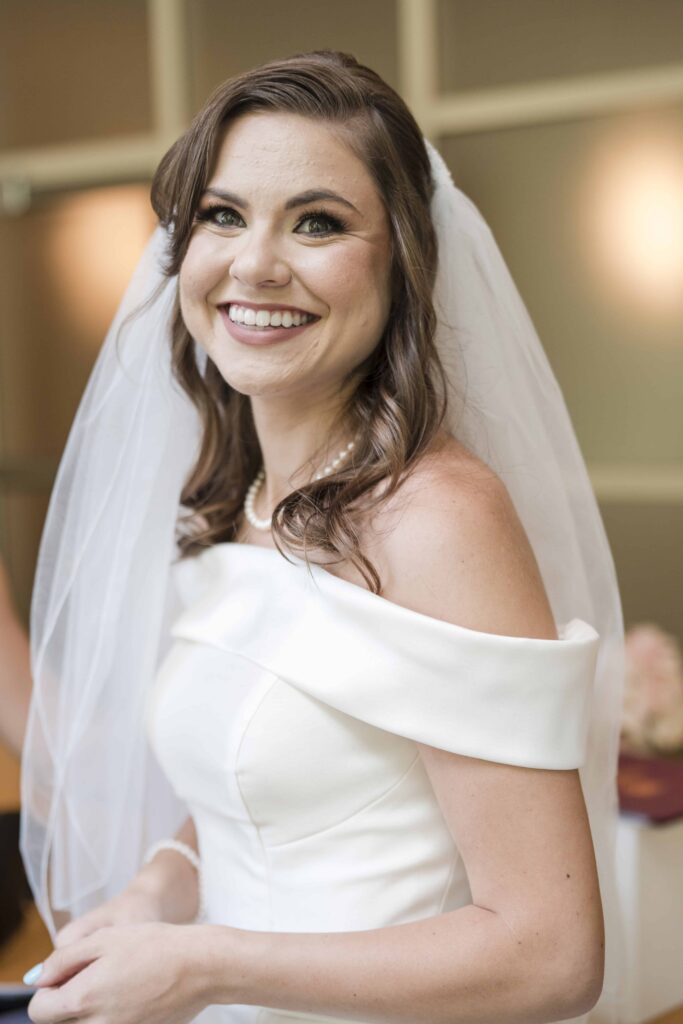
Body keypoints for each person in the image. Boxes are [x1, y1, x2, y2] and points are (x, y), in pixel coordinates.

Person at [20, 51, 625, 1024]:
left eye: (316, 221)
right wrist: (158, 892)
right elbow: (257, 798)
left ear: (400, 261)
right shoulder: (236, 502)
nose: (254, 262)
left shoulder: (438, 519)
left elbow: (548, 953)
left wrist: (205, 965)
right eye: (222, 214)